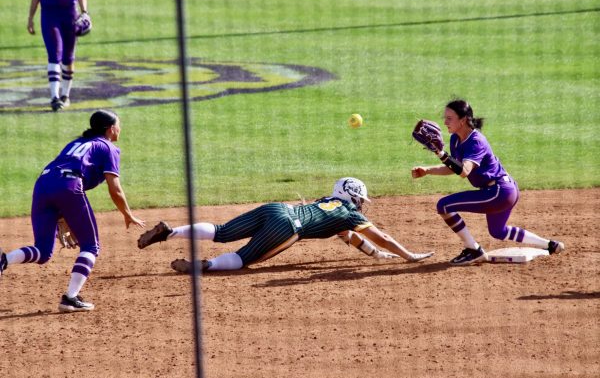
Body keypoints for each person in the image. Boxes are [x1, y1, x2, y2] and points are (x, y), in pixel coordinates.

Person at [0, 110, 145, 312]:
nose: (120, 129)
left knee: (43, 252)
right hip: (67, 185)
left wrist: (62, 217)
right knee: (91, 247)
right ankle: (70, 298)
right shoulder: (107, 147)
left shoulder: (75, 143)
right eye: (118, 125)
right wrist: (127, 214)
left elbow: (59, 177)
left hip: (43, 185)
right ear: (111, 129)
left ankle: (4, 260)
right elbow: (115, 188)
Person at [137, 177, 434, 272]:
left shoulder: (327, 203)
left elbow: (348, 238)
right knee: (242, 260)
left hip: (277, 208)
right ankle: (207, 266)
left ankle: (170, 232)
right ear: (353, 197)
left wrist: (375, 256)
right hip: (288, 229)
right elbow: (379, 236)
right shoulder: (350, 214)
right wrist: (408, 255)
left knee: (221, 231)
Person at [411, 99, 564, 265]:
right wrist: (427, 170)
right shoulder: (456, 139)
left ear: (462, 120)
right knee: (498, 231)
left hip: (498, 192)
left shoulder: (476, 141)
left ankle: (473, 249)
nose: (445, 122)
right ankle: (550, 245)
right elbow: (454, 167)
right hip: (505, 190)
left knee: (444, 205)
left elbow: (464, 171)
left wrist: (441, 153)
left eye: (449, 118)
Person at [27, 0, 90, 112]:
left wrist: (84, 12)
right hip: (49, 15)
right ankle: (54, 98)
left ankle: (65, 96)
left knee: (68, 58)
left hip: (69, 14)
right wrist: (30, 18)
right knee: (54, 53)